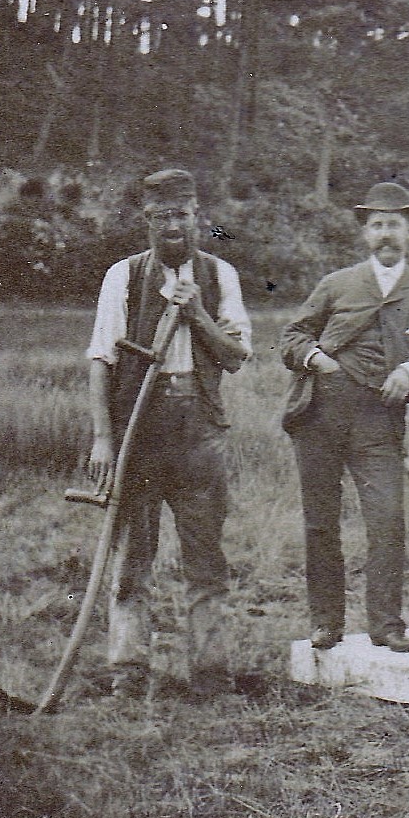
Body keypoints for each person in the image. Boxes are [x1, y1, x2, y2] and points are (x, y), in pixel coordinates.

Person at [86, 168, 251, 699]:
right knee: (134, 556)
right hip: (139, 432)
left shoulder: (220, 275)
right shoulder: (124, 277)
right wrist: (103, 439)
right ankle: (129, 672)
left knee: (205, 559)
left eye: (181, 215)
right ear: (147, 221)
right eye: (161, 217)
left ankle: (211, 674)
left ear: (196, 217)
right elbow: (101, 359)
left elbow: (236, 356)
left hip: (200, 433)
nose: (172, 226)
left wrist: (197, 311)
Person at [280, 181, 409, 654]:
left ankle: (385, 624)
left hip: (378, 420)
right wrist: (318, 359)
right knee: (321, 522)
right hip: (320, 414)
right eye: (377, 224)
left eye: (394, 224)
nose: (385, 234)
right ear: (364, 233)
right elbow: (291, 337)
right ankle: (326, 622)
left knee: (387, 521)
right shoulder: (336, 285)